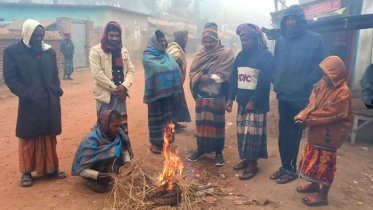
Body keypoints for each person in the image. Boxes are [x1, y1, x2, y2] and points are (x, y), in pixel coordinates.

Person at [3, 19, 66, 187]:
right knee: (28, 136)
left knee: (48, 136)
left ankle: (51, 168)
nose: (38, 39)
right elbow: (10, 78)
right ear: (27, 34)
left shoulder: (49, 51)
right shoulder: (13, 52)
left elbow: (54, 73)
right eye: (35, 36)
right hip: (29, 102)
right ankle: (26, 172)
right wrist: (26, 93)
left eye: (41, 35)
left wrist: (55, 88)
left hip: (49, 100)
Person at [271, 5, 327, 184]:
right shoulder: (280, 41)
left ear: (300, 20)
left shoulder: (314, 39)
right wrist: (275, 80)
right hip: (283, 93)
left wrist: (306, 80)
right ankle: (284, 165)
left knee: (293, 130)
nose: (289, 22)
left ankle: (291, 169)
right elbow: (275, 64)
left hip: (299, 95)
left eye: (293, 19)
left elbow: (322, 65)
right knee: (282, 130)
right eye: (287, 19)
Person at [294, 56, 352, 207]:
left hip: (330, 136)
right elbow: (314, 97)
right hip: (317, 132)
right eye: (323, 73)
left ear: (335, 74)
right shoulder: (325, 86)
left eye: (326, 74)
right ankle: (314, 185)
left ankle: (323, 196)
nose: (323, 77)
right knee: (313, 161)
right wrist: (304, 114)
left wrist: (308, 118)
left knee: (325, 165)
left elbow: (332, 112)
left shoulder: (343, 92)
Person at [226, 23, 275, 179]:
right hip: (242, 101)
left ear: (256, 39)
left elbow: (264, 82)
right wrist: (229, 98)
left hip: (257, 104)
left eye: (246, 39)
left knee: (253, 134)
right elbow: (234, 78)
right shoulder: (240, 56)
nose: (244, 42)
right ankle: (246, 159)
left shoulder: (266, 56)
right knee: (242, 133)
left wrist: (253, 101)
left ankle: (253, 165)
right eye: (242, 40)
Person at [188, 23, 235, 166]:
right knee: (201, 124)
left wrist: (212, 77)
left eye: (211, 41)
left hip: (218, 96)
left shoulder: (226, 54)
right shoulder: (200, 54)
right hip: (202, 95)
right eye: (205, 41)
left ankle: (218, 152)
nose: (208, 44)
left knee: (217, 125)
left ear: (217, 41)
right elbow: (193, 73)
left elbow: (227, 73)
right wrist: (199, 78)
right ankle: (200, 149)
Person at [143, 30, 186, 154]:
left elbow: (175, 69)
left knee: (168, 118)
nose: (163, 43)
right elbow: (160, 68)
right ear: (154, 42)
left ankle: (167, 142)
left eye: (163, 41)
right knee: (156, 119)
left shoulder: (167, 54)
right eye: (160, 41)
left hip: (169, 94)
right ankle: (155, 144)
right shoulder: (148, 55)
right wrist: (170, 68)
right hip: (155, 94)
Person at [72, 110, 134, 193]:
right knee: (105, 182)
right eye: (115, 126)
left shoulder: (117, 133)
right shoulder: (91, 140)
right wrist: (105, 175)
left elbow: (124, 151)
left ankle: (111, 175)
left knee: (117, 154)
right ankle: (95, 180)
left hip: (106, 165)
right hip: (92, 168)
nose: (118, 128)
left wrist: (127, 164)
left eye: (119, 125)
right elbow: (82, 171)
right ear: (105, 125)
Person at [89, 21, 135, 135]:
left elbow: (130, 71)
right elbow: (97, 74)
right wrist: (116, 89)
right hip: (105, 97)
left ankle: (123, 151)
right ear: (106, 35)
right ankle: (106, 152)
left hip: (120, 96)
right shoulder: (96, 51)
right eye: (111, 35)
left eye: (117, 36)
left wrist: (124, 86)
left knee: (121, 127)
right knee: (105, 128)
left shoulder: (123, 50)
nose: (114, 38)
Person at [166, 30, 192, 131]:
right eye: (186, 38)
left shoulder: (174, 47)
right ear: (181, 38)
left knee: (175, 103)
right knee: (174, 102)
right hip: (173, 82)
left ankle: (175, 124)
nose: (187, 40)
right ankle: (172, 126)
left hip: (175, 82)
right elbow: (173, 65)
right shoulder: (176, 50)